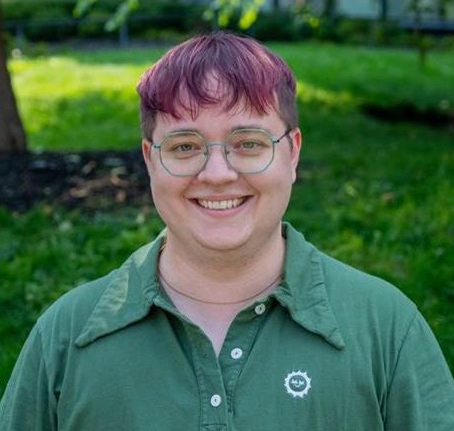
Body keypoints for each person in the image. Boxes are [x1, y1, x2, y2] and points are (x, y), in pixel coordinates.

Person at [1, 32, 453, 430]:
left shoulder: (386, 329)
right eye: (184, 146)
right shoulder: (66, 337)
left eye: (249, 143)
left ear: (292, 154)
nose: (217, 173)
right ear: (149, 158)